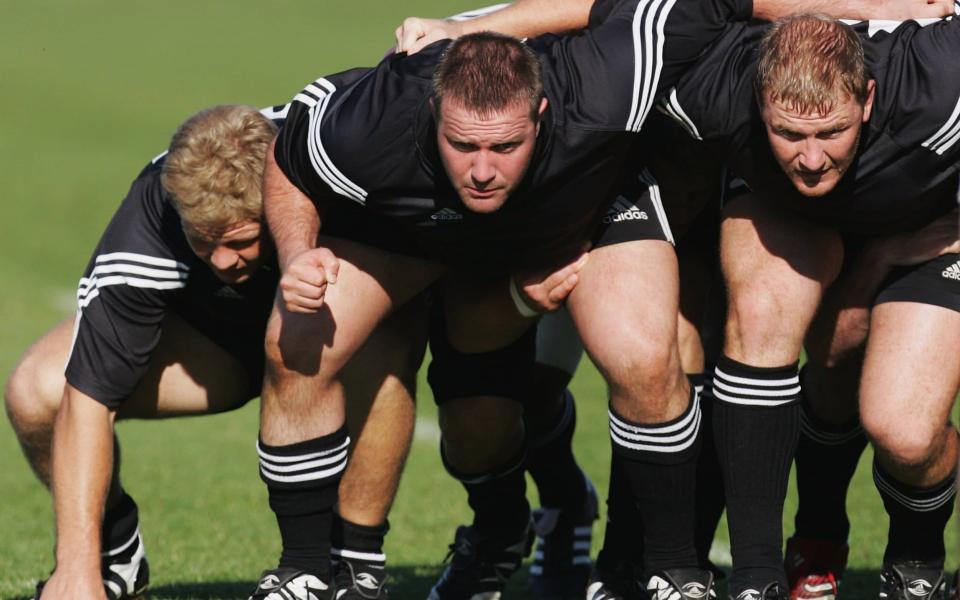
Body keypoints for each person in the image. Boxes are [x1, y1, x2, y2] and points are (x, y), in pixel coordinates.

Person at [4, 104, 424, 600]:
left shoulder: (336, 157)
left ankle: (355, 566)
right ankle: (114, 556)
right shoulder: (148, 223)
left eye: (241, 241)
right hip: (216, 349)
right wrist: (74, 569)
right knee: (36, 390)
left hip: (332, 333)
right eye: (203, 242)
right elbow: (88, 397)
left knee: (386, 336)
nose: (224, 260)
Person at [656, 13, 960, 600]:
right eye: (790, 134)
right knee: (794, 333)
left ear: (868, 98)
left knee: (901, 427)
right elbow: (612, 24)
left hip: (929, 228)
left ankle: (916, 560)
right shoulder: (709, 86)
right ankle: (759, 577)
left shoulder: (942, 78)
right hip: (797, 217)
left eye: (832, 132)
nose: (813, 158)